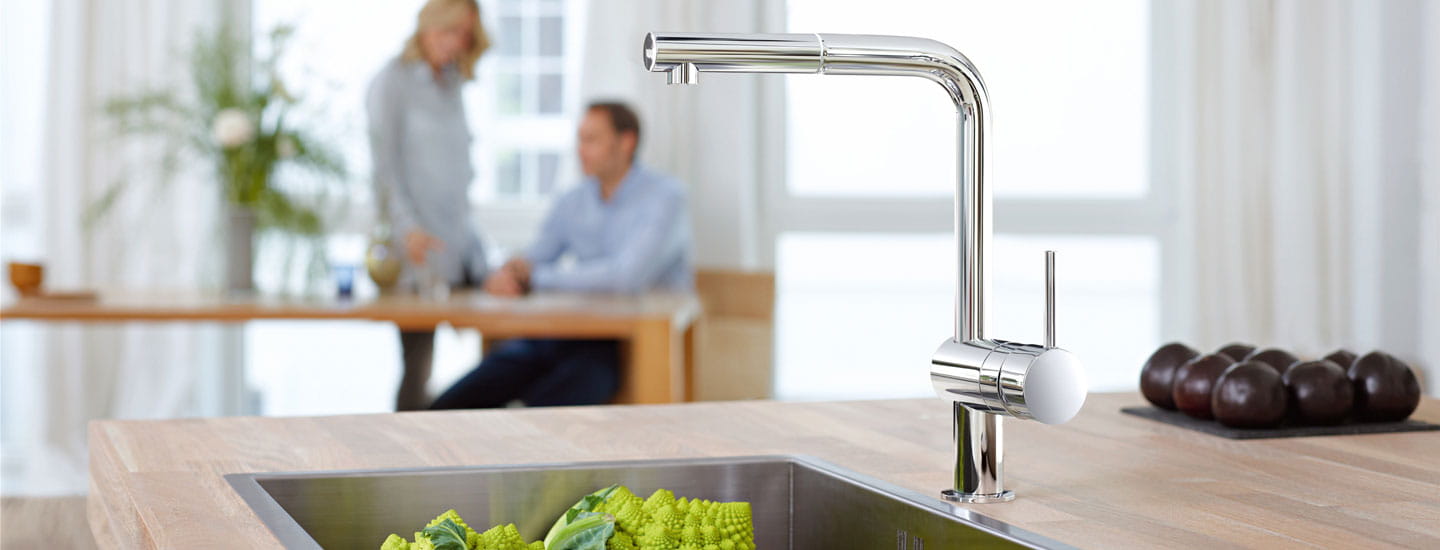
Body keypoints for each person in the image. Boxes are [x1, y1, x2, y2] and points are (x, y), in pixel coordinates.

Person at [430, 102, 693, 409]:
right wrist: (508, 274)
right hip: (570, 330)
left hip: (628, 343)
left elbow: (625, 277)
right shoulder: (574, 200)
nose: (581, 149)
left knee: (552, 405)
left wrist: (536, 279)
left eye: (591, 139)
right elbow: (536, 255)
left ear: (626, 142)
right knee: (454, 401)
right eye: (580, 139)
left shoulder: (666, 198)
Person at [367, 0, 492, 410]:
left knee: (497, 352)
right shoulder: (392, 82)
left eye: (464, 36)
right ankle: (404, 461)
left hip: (454, 244)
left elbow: (458, 176)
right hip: (412, 248)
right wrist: (407, 229)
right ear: (427, 26)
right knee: (417, 361)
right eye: (449, 31)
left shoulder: (453, 83)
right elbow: (384, 168)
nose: (455, 43)